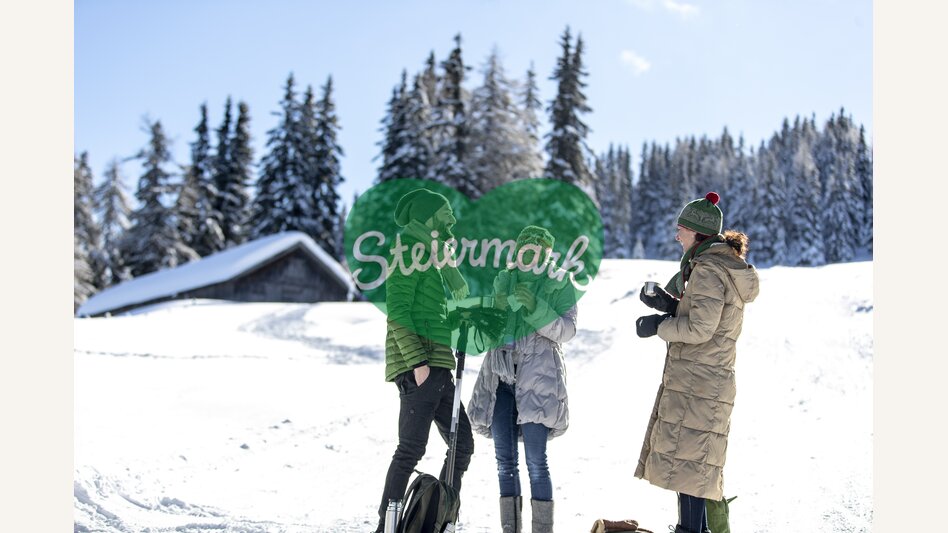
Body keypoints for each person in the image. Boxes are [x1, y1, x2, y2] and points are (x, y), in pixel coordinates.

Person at [634, 192, 760, 533]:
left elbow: (701, 328)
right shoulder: (718, 266)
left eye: (681, 230)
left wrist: (658, 326)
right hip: (704, 380)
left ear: (697, 234)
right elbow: (707, 317)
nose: (677, 236)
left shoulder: (707, 270)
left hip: (699, 382)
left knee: (689, 472)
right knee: (690, 469)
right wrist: (667, 303)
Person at [374, 188, 474, 533]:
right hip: (420, 366)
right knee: (410, 450)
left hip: (440, 364)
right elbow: (398, 312)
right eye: (446, 214)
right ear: (430, 217)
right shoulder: (410, 251)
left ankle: (437, 518)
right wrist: (418, 365)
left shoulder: (437, 259)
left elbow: (432, 312)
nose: (452, 221)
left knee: (462, 448)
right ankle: (386, 526)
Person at [467, 225, 578, 533]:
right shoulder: (503, 280)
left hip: (539, 381)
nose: (529, 254)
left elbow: (567, 331)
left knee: (536, 464)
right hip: (500, 380)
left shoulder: (559, 283)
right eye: (524, 248)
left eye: (536, 249)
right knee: (505, 462)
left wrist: (535, 307)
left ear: (546, 253)